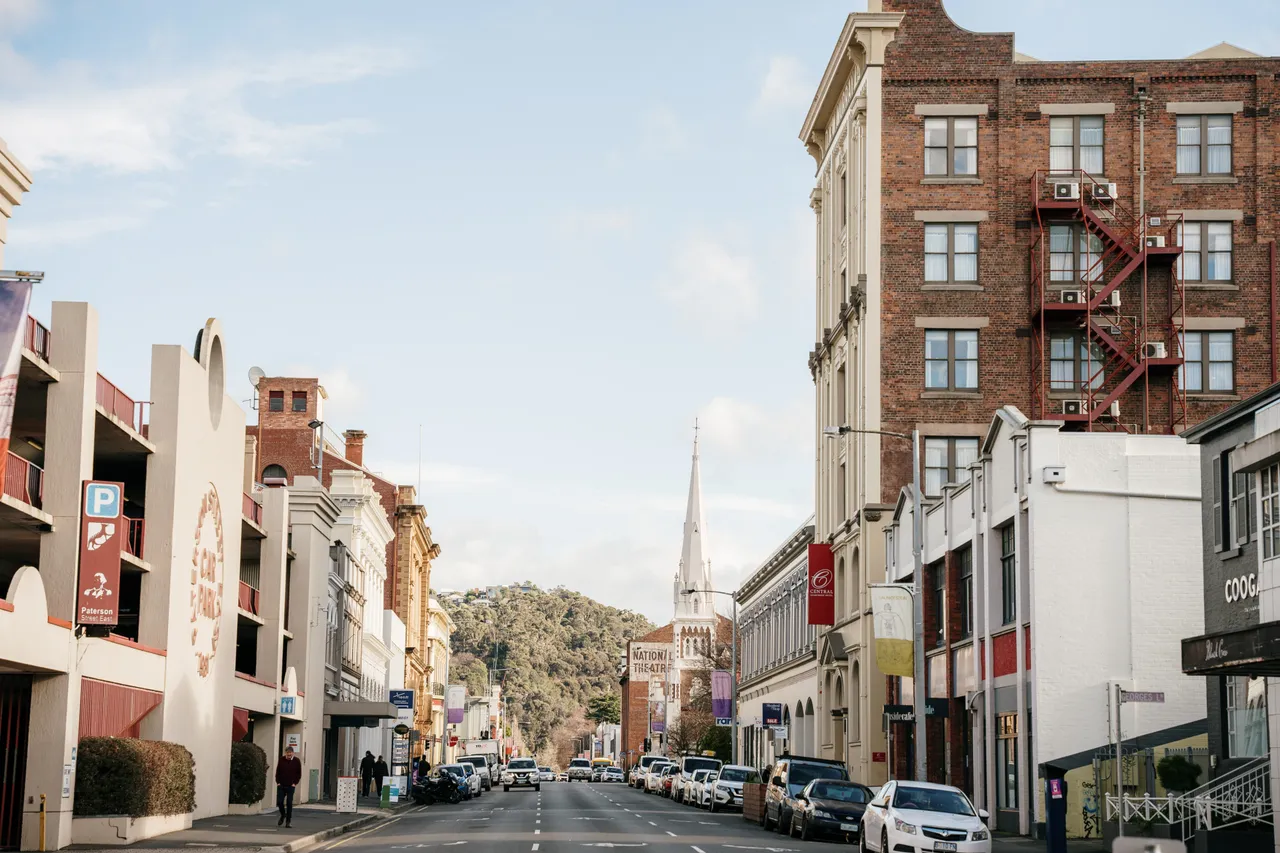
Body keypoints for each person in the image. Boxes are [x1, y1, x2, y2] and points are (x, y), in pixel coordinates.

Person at [275, 746, 302, 828]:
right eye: (287, 752)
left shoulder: (297, 761)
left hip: (291, 785)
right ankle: (283, 815)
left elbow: (298, 773)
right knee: (280, 802)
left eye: (290, 752)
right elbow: (278, 771)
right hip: (281, 785)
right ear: (285, 753)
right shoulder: (281, 759)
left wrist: (295, 783)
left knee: (289, 803)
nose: (289, 754)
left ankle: (288, 821)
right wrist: (278, 782)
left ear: (293, 753)